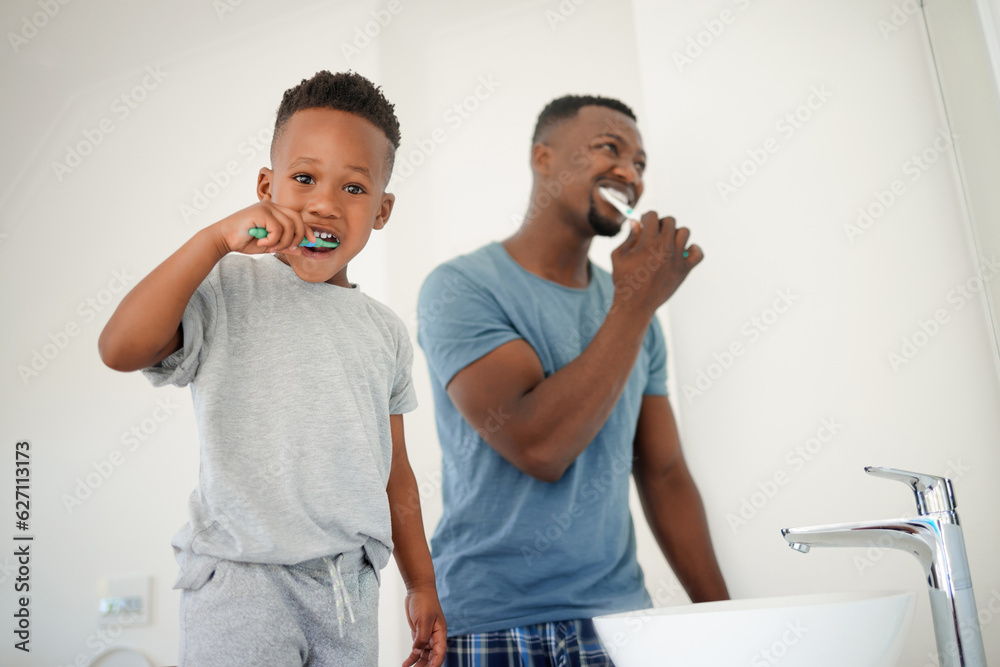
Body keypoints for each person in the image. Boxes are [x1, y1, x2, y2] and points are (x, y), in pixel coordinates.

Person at [99, 70, 445, 667]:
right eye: (304, 178)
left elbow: (397, 475)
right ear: (267, 185)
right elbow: (120, 348)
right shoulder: (227, 288)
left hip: (348, 593)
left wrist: (422, 584)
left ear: (382, 210)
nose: (324, 204)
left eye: (354, 189)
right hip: (242, 582)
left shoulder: (384, 331)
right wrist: (212, 240)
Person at [416, 95, 729, 665]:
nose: (629, 174)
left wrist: (730, 623)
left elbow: (663, 473)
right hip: (491, 622)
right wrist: (635, 304)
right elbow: (539, 446)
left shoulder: (635, 312)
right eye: (609, 149)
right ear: (543, 158)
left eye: (640, 164)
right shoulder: (460, 288)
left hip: (621, 623)